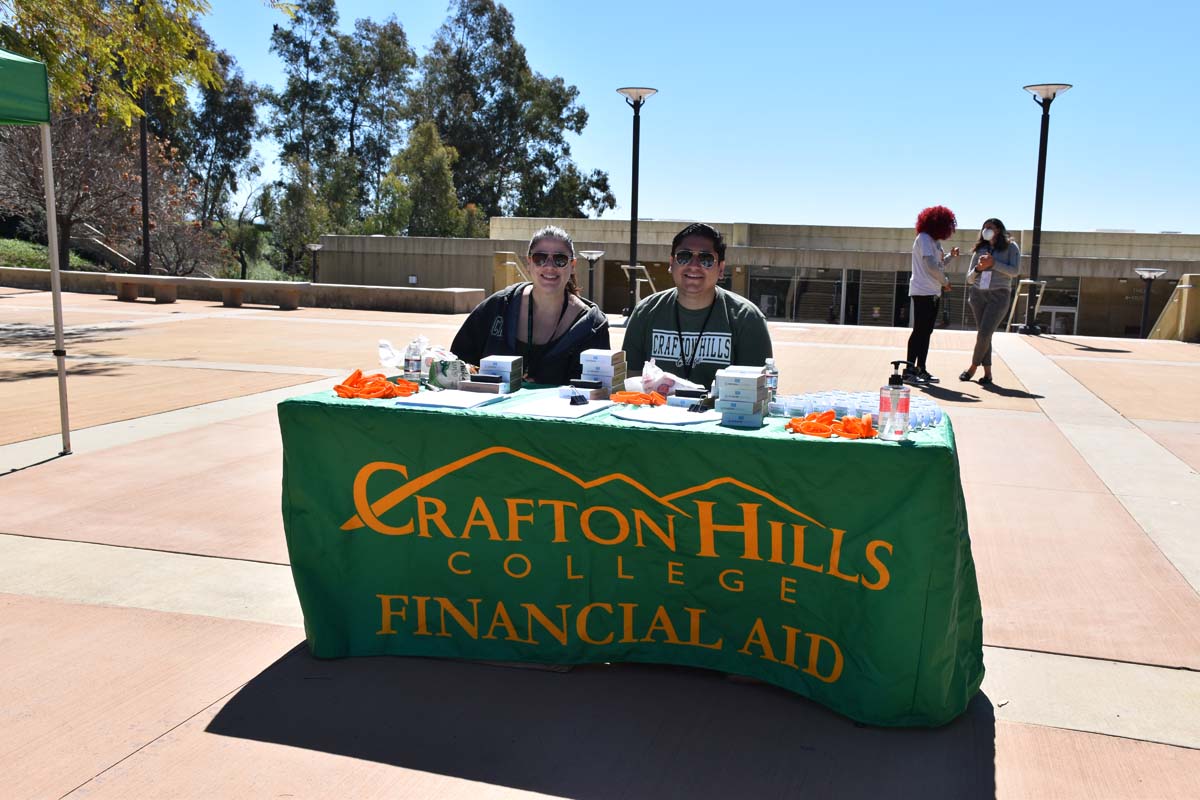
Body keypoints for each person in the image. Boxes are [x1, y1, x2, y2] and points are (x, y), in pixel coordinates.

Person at [451, 225, 609, 384]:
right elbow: (457, 364)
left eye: (560, 259)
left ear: (572, 265)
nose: (549, 266)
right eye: (540, 258)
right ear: (529, 262)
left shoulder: (593, 326)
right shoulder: (498, 307)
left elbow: (599, 388)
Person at [622, 222, 773, 389]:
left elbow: (756, 392)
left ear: (721, 269)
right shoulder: (645, 312)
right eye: (684, 256)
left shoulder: (748, 319)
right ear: (671, 263)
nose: (694, 266)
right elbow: (631, 384)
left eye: (706, 259)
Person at [960, 218, 1021, 385]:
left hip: (999, 296)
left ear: (998, 230)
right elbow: (969, 279)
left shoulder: (1011, 247)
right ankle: (987, 375)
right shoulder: (980, 249)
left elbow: (1015, 271)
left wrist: (993, 263)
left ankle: (972, 368)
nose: (986, 230)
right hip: (978, 295)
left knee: (984, 334)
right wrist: (978, 268)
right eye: (984, 227)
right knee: (985, 335)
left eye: (990, 227)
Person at [905, 205, 960, 383]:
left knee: (926, 332)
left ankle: (921, 369)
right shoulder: (924, 238)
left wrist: (950, 256)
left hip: (933, 292)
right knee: (919, 331)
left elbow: (938, 265)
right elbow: (930, 266)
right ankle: (909, 370)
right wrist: (945, 282)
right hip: (922, 291)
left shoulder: (934, 242)